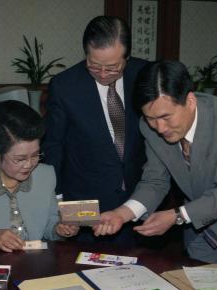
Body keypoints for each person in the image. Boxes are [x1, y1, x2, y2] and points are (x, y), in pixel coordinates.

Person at [94, 60, 217, 263]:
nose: (159, 128)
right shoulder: (149, 127)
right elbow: (155, 181)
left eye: (166, 117)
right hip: (202, 224)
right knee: (199, 288)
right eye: (150, 118)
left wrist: (176, 216)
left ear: (191, 101)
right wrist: (121, 214)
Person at [42, 16, 148, 244]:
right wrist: (59, 202)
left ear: (127, 57)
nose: (102, 74)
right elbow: (53, 146)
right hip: (85, 201)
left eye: (112, 68)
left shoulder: (145, 75)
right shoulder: (65, 86)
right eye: (94, 66)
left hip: (136, 199)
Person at [0, 100, 79, 252]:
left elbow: (50, 224)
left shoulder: (45, 175)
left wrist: (59, 229)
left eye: (35, 155)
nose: (29, 164)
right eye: (20, 159)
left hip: (37, 265)